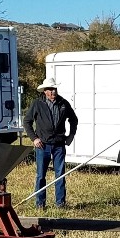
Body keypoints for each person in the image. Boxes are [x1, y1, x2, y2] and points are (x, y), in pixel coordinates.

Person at [24, 77, 78, 209]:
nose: (53, 92)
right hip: (43, 145)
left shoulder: (63, 103)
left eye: (54, 89)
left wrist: (71, 135)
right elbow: (27, 122)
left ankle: (60, 203)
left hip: (59, 144)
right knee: (41, 175)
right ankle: (40, 204)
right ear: (45, 91)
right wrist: (34, 138)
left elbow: (74, 119)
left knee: (60, 175)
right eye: (50, 89)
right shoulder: (37, 104)